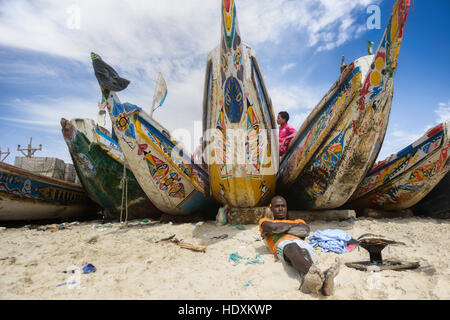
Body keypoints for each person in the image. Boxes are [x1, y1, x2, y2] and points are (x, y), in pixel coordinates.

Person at [259, 195, 341, 295]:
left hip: (302, 244)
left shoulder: (298, 221)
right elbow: (274, 227)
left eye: (283, 206)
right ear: (271, 208)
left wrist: (278, 229)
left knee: (304, 251)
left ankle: (314, 283)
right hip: (283, 244)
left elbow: (305, 231)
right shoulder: (265, 222)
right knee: (293, 247)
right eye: (277, 206)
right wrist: (291, 228)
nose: (280, 209)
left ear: (286, 207)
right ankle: (319, 278)